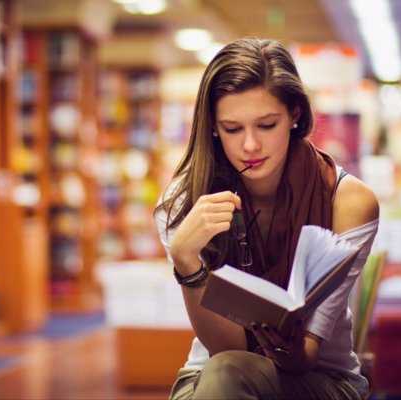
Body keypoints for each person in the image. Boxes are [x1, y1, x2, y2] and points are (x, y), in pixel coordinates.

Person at [154, 37, 380, 400]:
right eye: (232, 129)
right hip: (211, 373)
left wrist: (286, 348)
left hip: (322, 378)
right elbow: (225, 350)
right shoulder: (183, 203)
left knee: (227, 377)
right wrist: (186, 263)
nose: (250, 146)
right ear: (212, 126)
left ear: (295, 115)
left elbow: (306, 355)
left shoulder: (348, 201)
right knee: (226, 373)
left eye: (266, 125)